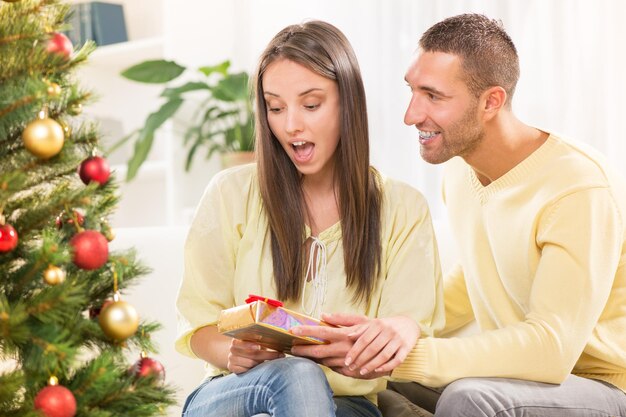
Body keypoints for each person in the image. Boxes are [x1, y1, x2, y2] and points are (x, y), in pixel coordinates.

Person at [293, 13, 626, 417]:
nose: (411, 115)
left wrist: (409, 355)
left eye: (433, 96)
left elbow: (551, 347)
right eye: (412, 90)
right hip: (520, 379)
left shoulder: (577, 187)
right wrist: (387, 330)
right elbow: (473, 281)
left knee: (468, 397)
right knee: (378, 371)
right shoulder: (460, 168)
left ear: (491, 101)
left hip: (600, 384)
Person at [174, 20, 444, 417]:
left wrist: (385, 338)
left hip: (346, 406)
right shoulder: (230, 194)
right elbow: (197, 324)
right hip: (233, 394)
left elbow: (410, 328)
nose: (290, 125)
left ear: (347, 102)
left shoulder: (403, 208)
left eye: (311, 105)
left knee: (305, 382)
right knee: (296, 375)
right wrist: (231, 351)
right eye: (275, 107)